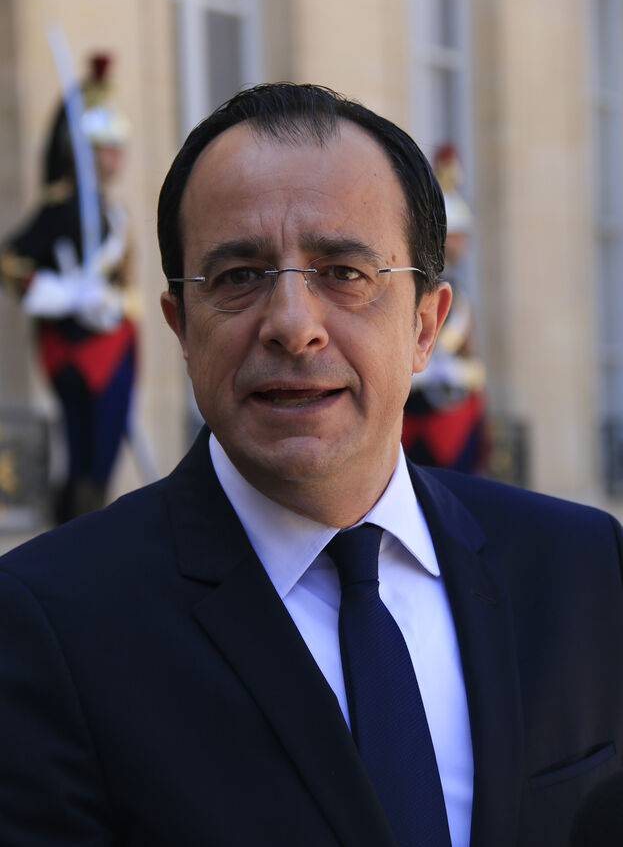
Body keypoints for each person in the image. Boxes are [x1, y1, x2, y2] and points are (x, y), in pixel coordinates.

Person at [0, 83, 621, 847]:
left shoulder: (584, 569)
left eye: (343, 272)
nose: (293, 327)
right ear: (181, 327)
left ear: (425, 326)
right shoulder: (50, 624)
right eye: (238, 276)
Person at [0, 54, 138, 522]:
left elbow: (123, 282)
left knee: (101, 460)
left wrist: (110, 301)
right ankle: (75, 537)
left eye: (119, 147)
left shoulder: (113, 213)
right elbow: (11, 260)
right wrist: (66, 294)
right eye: (106, 147)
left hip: (115, 341)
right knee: (85, 460)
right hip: (77, 348)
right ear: (86, 150)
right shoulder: (61, 207)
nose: (116, 156)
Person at [403, 144, 489, 473]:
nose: (463, 244)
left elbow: (468, 349)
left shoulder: (458, 288)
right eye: (458, 235)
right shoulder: (421, 284)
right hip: (422, 408)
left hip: (450, 408)